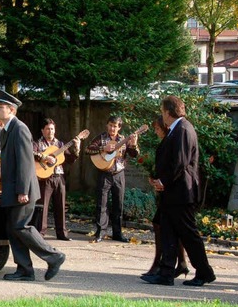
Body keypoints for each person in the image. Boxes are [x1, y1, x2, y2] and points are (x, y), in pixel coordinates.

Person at [142, 95, 216, 287]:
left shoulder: (182, 129)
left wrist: (163, 181)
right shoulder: (177, 129)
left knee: (188, 234)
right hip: (173, 192)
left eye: (162, 112)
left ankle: (204, 272)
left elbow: (180, 162)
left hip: (181, 192)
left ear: (168, 112)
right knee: (168, 232)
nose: (162, 116)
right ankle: (165, 272)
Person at [0, 89, 66, 282]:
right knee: (13, 229)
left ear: (12, 110)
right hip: (13, 189)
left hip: (22, 190)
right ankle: (25, 270)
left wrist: (22, 191)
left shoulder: (19, 129)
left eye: (0, 107)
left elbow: (26, 163)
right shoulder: (7, 129)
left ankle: (54, 256)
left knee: (21, 226)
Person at [143, 116, 188, 278]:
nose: (155, 131)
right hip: (166, 190)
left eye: (157, 128)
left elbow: (175, 165)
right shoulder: (166, 141)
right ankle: (180, 262)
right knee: (168, 226)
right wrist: (154, 176)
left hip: (174, 191)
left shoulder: (173, 138)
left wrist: (162, 180)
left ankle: (161, 265)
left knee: (165, 225)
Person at [85, 115, 138, 243]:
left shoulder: (124, 140)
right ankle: (100, 233)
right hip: (104, 174)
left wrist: (133, 145)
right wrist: (103, 148)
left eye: (115, 126)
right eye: (110, 125)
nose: (112, 128)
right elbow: (88, 150)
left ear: (119, 127)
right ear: (107, 125)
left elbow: (134, 155)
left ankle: (117, 234)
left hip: (119, 174)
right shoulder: (101, 138)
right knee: (101, 204)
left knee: (118, 205)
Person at [32, 118, 80, 241]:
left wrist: (77, 148)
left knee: (61, 206)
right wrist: (44, 157)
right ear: (42, 130)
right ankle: (40, 234)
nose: (50, 131)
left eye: (52, 129)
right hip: (44, 179)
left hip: (59, 177)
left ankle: (62, 233)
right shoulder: (37, 144)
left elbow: (70, 159)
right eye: (47, 129)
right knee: (43, 207)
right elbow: (31, 153)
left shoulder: (60, 145)